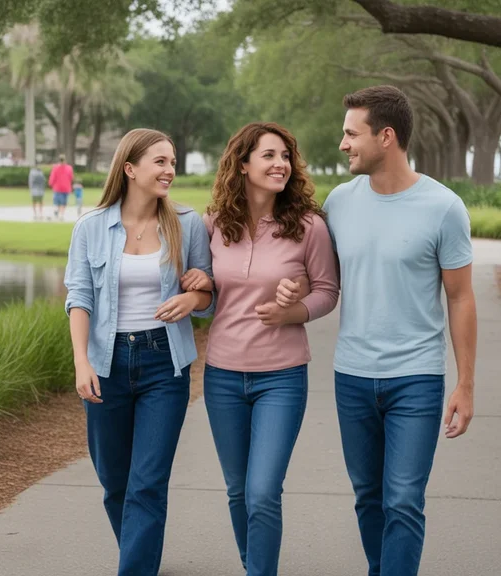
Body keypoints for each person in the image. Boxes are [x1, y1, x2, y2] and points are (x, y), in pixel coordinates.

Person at [278, 85, 477, 576]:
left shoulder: (444, 207)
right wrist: (292, 289)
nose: (342, 143)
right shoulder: (340, 203)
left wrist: (466, 385)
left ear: (386, 136)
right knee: (369, 498)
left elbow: (461, 297)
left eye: (351, 133)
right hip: (352, 376)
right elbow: (324, 277)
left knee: (404, 499)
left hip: (417, 378)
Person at [184, 122, 339, 576]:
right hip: (223, 376)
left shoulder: (309, 226)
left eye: (286, 156)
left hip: (283, 377)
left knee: (263, 491)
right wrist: (202, 284)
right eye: (269, 155)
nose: (280, 164)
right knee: (237, 490)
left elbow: (327, 291)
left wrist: (293, 311)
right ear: (243, 163)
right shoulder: (212, 225)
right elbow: (207, 301)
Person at [64, 128, 215, 576]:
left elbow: (207, 292)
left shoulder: (187, 224)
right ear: (130, 169)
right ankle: (141, 554)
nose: (170, 170)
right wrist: (81, 361)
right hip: (107, 363)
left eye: (172, 162)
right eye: (160, 162)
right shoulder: (91, 227)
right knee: (115, 483)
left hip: (163, 365)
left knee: (147, 483)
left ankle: (135, 568)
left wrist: (194, 297)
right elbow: (79, 297)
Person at [49, 153, 74, 221]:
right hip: (66, 187)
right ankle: (61, 215)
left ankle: (56, 210)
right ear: (65, 160)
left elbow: (52, 177)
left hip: (57, 187)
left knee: (56, 202)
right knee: (63, 203)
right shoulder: (69, 168)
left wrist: (50, 183)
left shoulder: (55, 167)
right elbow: (71, 178)